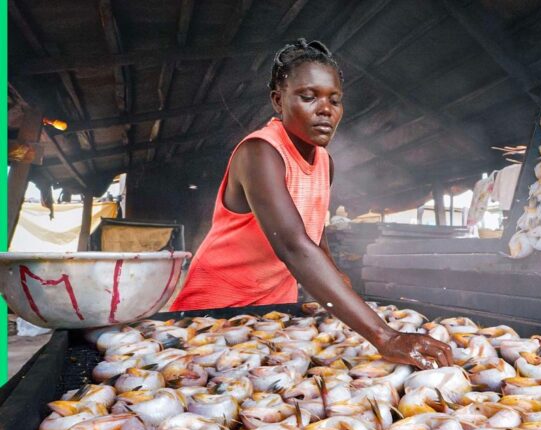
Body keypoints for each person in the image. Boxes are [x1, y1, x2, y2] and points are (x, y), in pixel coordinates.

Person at [171, 39, 452, 369]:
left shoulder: (324, 162)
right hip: (215, 311)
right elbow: (294, 246)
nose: (325, 110)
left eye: (334, 100)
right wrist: (385, 336)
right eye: (308, 97)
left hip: (274, 312)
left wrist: (349, 301)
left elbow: (316, 240)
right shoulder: (259, 153)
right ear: (279, 100)